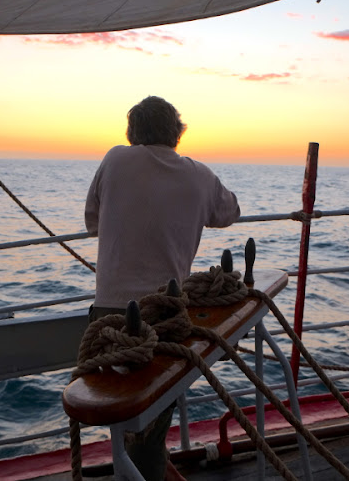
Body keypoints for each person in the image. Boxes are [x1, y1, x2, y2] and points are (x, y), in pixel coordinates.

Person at [84, 96, 240, 480]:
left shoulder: (115, 160)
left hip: (107, 313)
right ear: (178, 132)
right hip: (164, 318)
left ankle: (139, 468)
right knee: (150, 424)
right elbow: (230, 212)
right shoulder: (199, 175)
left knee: (129, 421)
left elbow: (92, 222)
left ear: (132, 132)